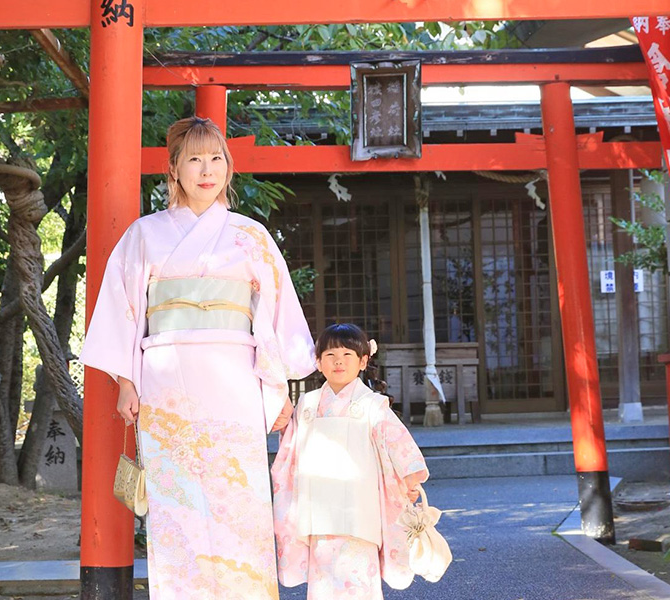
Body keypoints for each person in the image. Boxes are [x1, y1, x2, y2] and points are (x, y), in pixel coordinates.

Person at [79, 116, 315, 600]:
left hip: (234, 379)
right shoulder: (144, 235)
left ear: (228, 169)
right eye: (194, 159)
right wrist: (126, 382)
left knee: (238, 497)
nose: (206, 170)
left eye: (216, 159)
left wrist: (279, 391)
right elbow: (122, 310)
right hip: (166, 381)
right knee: (177, 503)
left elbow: (275, 316)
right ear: (173, 170)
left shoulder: (251, 235)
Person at [271, 323, 430, 599]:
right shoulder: (307, 405)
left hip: (359, 507)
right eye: (330, 356)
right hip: (317, 505)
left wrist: (409, 478)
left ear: (363, 361)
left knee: (358, 579)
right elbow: (289, 452)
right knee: (322, 580)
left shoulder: (371, 405)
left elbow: (397, 442)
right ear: (318, 362)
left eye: (347, 355)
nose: (338, 362)